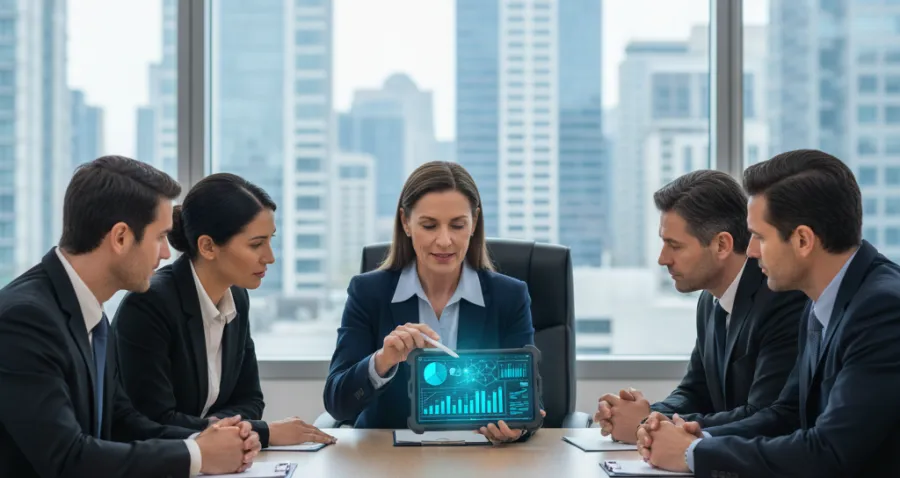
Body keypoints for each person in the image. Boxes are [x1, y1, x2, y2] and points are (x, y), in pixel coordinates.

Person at [637, 149, 900, 477]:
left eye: (760, 237)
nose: (750, 250)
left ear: (802, 240)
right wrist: (698, 437)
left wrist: (693, 453)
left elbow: (830, 450)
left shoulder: (881, 309)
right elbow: (786, 416)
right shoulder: (821, 300)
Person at [0, 156, 260, 478]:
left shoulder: (90, 314)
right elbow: (65, 457)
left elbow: (123, 423)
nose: (166, 252)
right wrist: (196, 455)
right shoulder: (26, 319)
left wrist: (208, 440)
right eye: (160, 237)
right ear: (121, 237)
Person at [112, 173, 336, 449]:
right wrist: (260, 432)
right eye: (256, 244)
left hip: (215, 458)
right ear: (208, 246)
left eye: (270, 240)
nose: (270, 257)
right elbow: (153, 421)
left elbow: (251, 399)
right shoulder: (149, 305)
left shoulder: (237, 298)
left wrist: (223, 433)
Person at [323, 161, 542, 442]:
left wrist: (519, 428)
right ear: (406, 222)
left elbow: (531, 400)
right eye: (429, 226)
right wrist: (382, 361)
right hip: (388, 457)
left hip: (482, 457)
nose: (444, 241)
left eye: (457, 225)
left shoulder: (509, 296)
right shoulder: (368, 293)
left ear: (474, 222)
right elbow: (337, 404)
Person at [593, 170, 806, 444]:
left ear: (722, 245)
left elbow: (766, 416)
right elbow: (695, 391)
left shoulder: (781, 298)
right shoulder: (709, 299)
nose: (662, 259)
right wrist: (647, 416)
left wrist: (648, 424)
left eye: (674, 246)